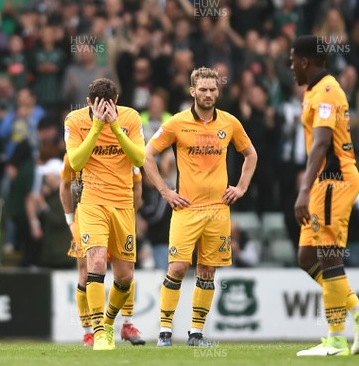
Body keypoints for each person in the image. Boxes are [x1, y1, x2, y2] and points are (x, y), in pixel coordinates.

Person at [144, 67, 257, 346]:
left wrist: (241, 187)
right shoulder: (176, 123)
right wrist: (165, 191)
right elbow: (147, 155)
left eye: (213, 89)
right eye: (203, 89)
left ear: (218, 91)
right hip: (187, 208)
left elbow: (251, 154)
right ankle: (165, 331)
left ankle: (196, 333)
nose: (208, 94)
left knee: (208, 271)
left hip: (219, 210)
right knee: (179, 267)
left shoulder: (229, 123)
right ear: (192, 91)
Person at [290, 35, 359, 357]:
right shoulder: (313, 90)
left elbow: (322, 142)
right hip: (323, 183)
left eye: (292, 60)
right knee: (306, 257)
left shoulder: (328, 90)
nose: (290, 67)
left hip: (333, 179)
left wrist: (304, 187)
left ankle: (335, 339)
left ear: (304, 60)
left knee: (329, 254)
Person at [64, 78, 145, 350]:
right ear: (88, 103)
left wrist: (115, 128)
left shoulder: (130, 117)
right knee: (95, 263)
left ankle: (109, 323)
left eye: (109, 106)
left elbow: (139, 159)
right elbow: (75, 162)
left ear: (117, 100)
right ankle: (98, 332)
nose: (103, 110)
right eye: (98, 107)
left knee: (125, 277)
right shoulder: (75, 121)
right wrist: (98, 125)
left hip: (122, 204)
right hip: (92, 203)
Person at [59, 153, 146, 346]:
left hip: (119, 212)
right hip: (89, 213)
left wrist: (129, 217)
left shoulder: (124, 149)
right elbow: (65, 185)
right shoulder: (77, 151)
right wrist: (70, 220)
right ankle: (89, 332)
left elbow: (137, 184)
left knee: (124, 271)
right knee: (87, 271)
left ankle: (126, 323)